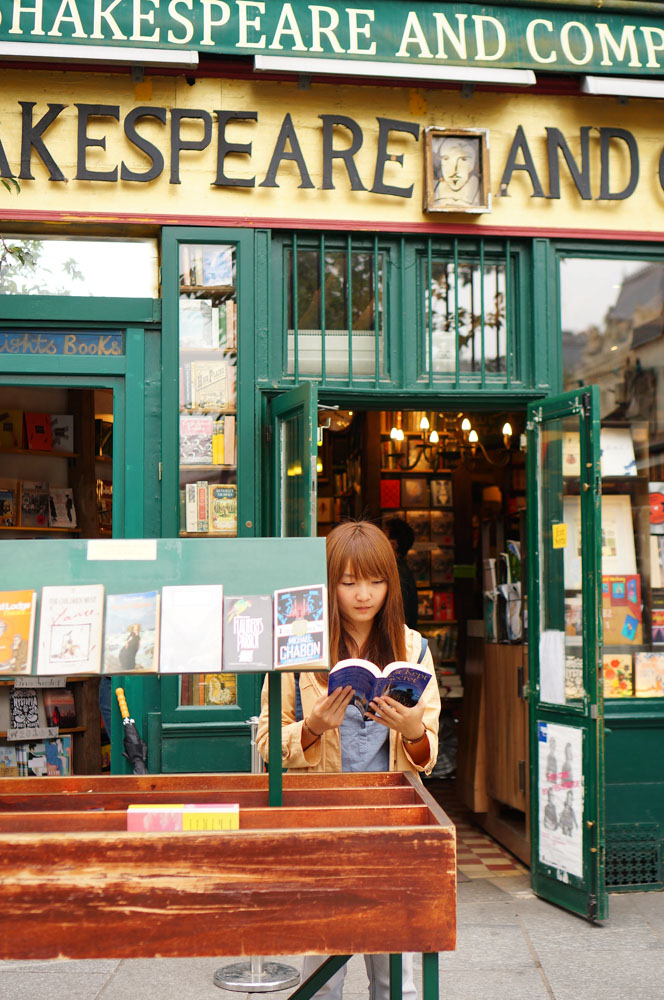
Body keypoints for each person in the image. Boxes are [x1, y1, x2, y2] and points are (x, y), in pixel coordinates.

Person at [256, 520, 441, 1000]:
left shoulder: (413, 647)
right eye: (349, 581)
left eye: (376, 580)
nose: (364, 594)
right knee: (323, 963)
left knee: (394, 967)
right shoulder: (299, 645)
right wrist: (312, 727)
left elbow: (428, 753)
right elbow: (265, 740)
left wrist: (411, 730)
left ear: (390, 583)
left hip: (391, 818)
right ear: (328, 582)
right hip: (323, 816)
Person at [384, 517, 419, 629]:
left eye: (383, 538)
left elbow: (398, 616)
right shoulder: (401, 570)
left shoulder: (397, 574)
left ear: (393, 544)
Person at [432, 135, 481, 207]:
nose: (454, 170)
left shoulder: (478, 196)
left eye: (463, 159)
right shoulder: (434, 191)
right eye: (446, 158)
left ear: (475, 163)